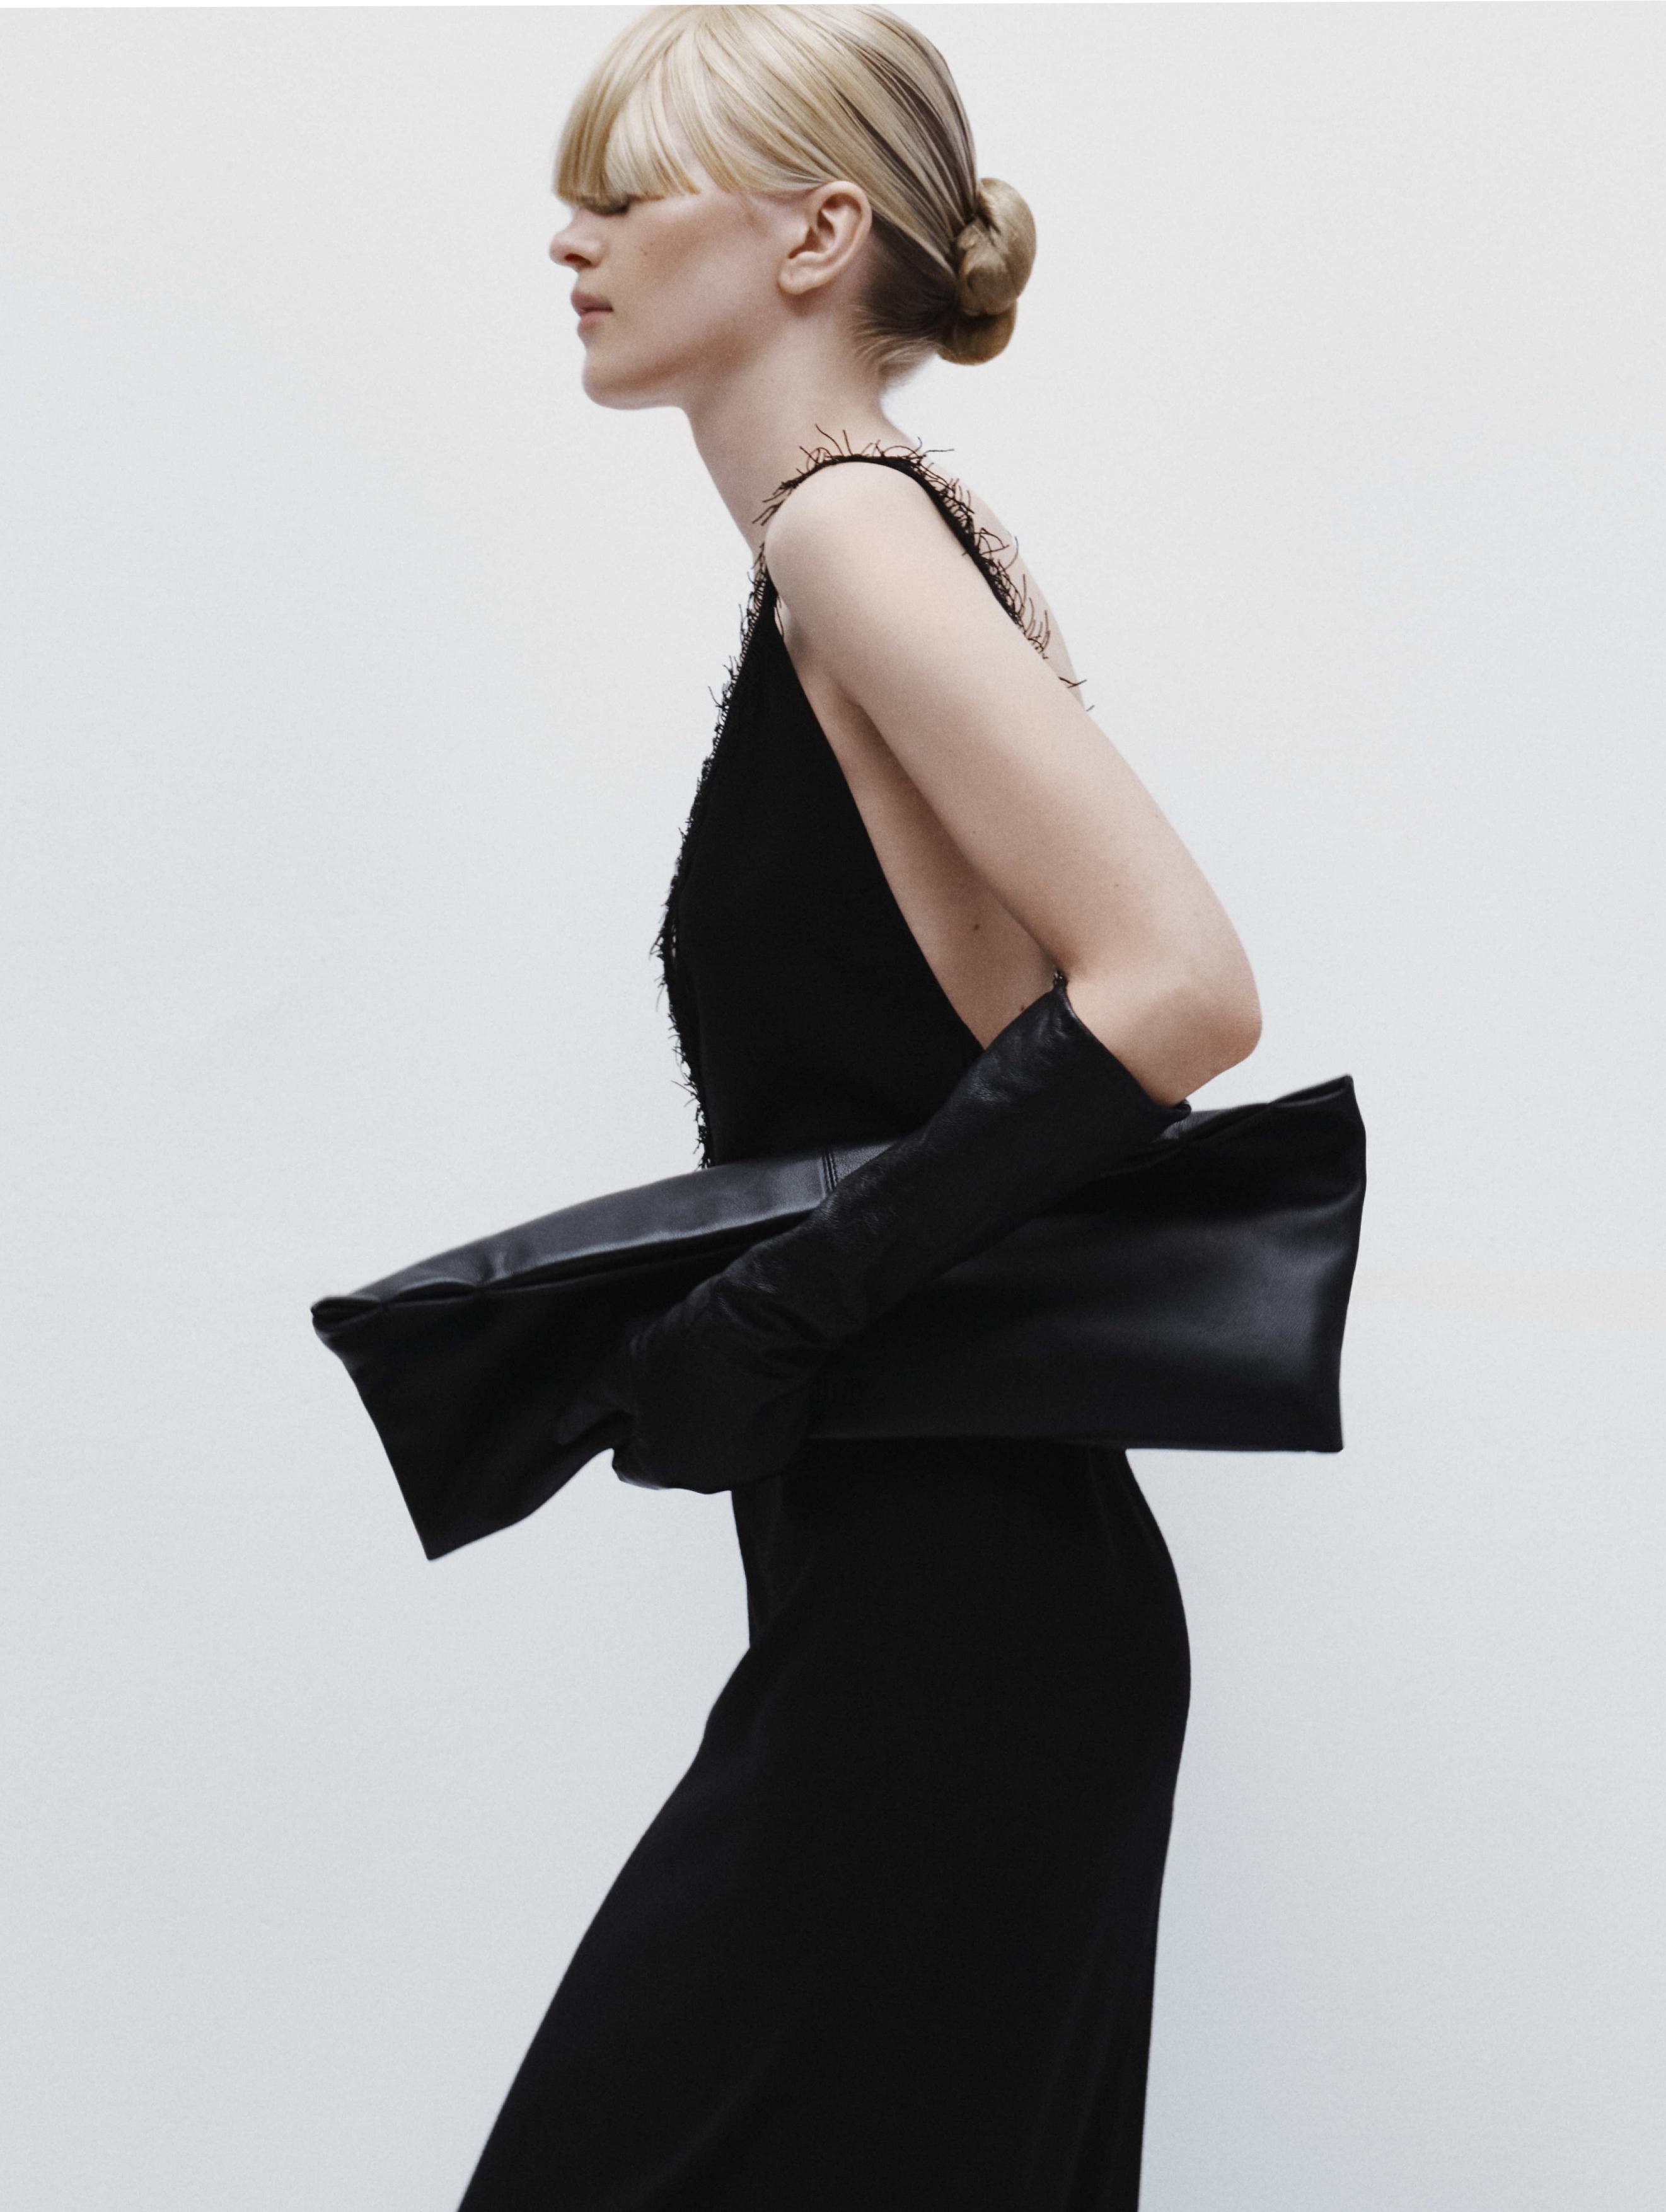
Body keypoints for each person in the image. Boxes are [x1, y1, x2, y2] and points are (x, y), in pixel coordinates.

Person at [459, 8, 1261, 2206]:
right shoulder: (870, 539)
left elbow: (1180, 988)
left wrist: (776, 1309)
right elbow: (1009, 1039)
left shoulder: (848, 531)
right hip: (936, 1595)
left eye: (625, 194)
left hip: (958, 1624)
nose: (569, 241)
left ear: (813, 236)